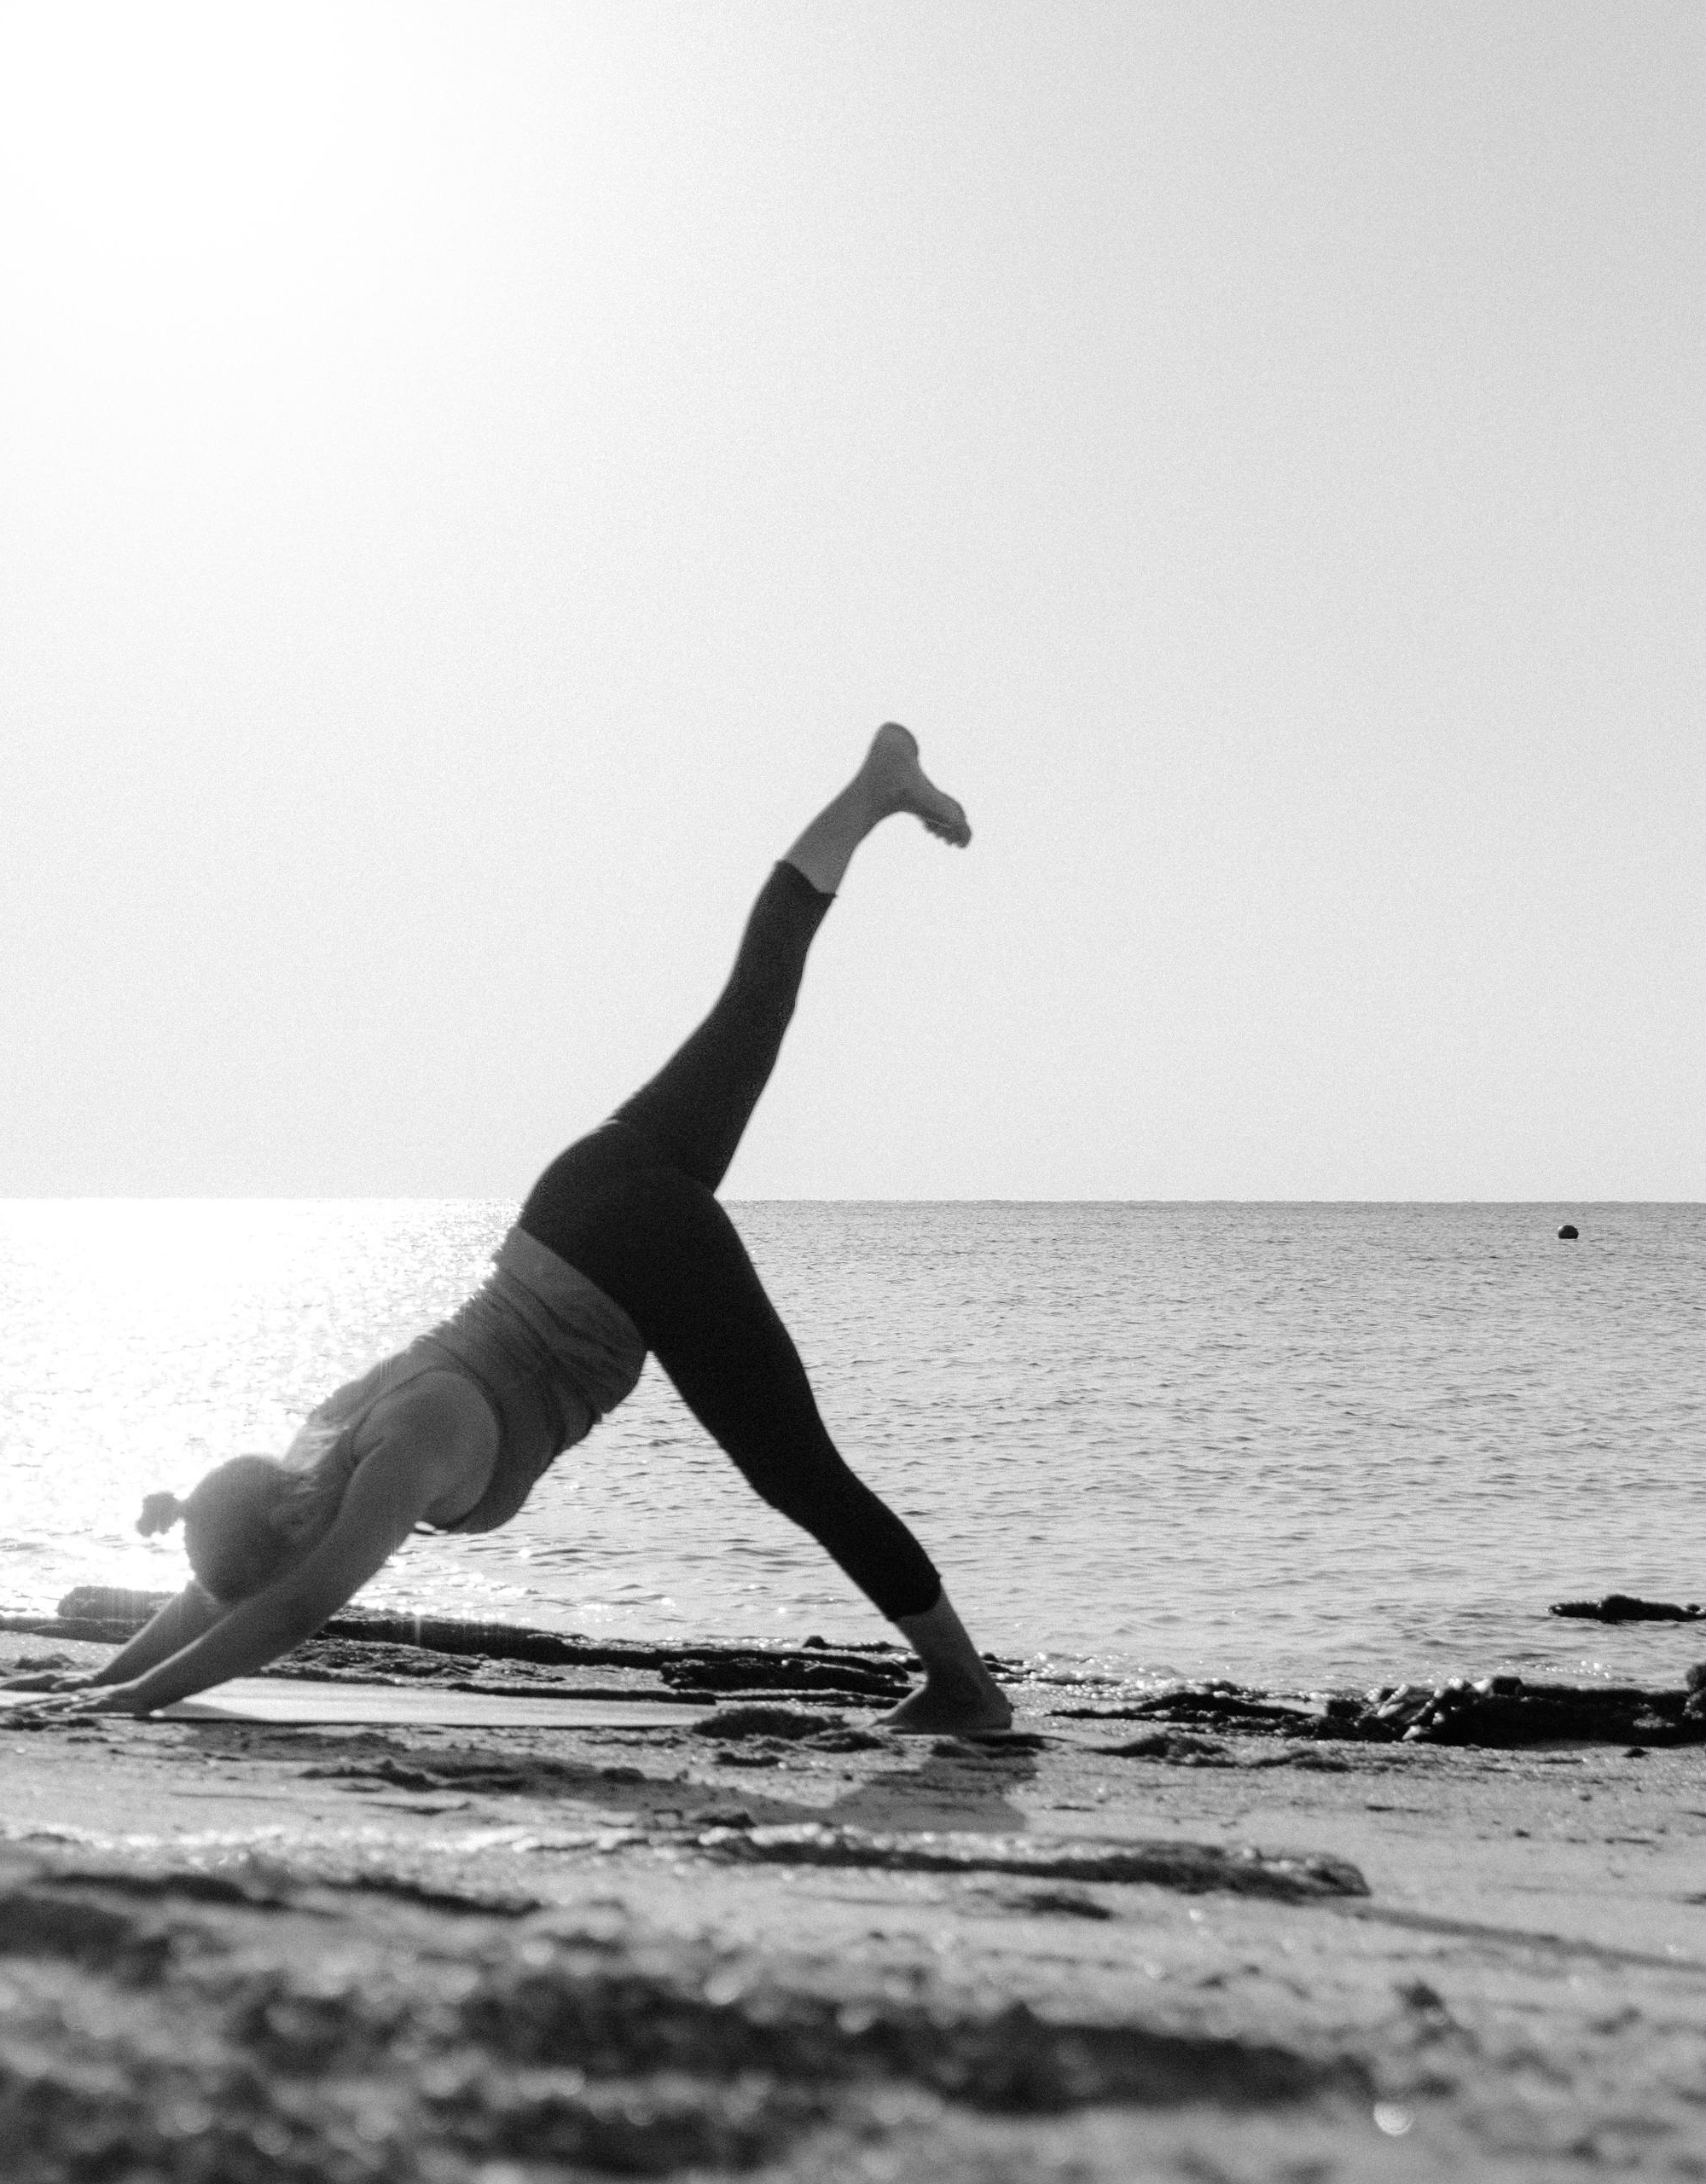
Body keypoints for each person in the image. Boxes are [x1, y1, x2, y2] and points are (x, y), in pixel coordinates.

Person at [53, 726, 1013, 1729]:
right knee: (754, 1001)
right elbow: (231, 1579)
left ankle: (967, 1690)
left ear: (290, 1528)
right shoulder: (313, 1454)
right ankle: (873, 789)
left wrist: (128, 1708)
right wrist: (99, 1678)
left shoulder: (406, 1449)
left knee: (795, 1471)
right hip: (571, 1201)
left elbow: (288, 1603)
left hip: (627, 1250)